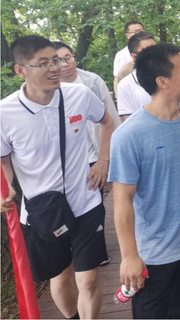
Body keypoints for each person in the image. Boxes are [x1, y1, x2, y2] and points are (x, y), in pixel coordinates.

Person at [1, 35, 114, 319]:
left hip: (86, 201)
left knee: (88, 279)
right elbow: (3, 159)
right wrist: (5, 188)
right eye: (43, 63)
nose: (54, 68)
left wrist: (102, 161)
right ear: (20, 70)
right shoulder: (5, 112)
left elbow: (107, 122)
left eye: (56, 60)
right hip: (44, 213)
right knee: (61, 278)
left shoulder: (79, 95)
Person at [108, 43, 180, 319]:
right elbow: (122, 199)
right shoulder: (129, 135)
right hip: (153, 255)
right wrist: (129, 256)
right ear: (162, 82)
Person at [54, 41, 120, 266]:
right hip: (66, 159)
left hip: (93, 154)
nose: (66, 63)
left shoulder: (91, 82)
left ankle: (97, 252)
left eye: (68, 57)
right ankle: (74, 248)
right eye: (59, 60)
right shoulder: (49, 89)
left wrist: (106, 157)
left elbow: (111, 118)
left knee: (94, 201)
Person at [116, 32, 156, 121]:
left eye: (157, 50)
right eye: (148, 51)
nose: (155, 54)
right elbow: (127, 121)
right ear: (134, 56)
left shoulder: (171, 76)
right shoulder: (125, 85)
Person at [113, 21, 144, 97]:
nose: (139, 34)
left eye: (141, 31)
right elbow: (117, 78)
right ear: (127, 36)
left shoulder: (153, 49)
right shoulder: (121, 55)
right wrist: (118, 97)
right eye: (135, 31)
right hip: (132, 94)